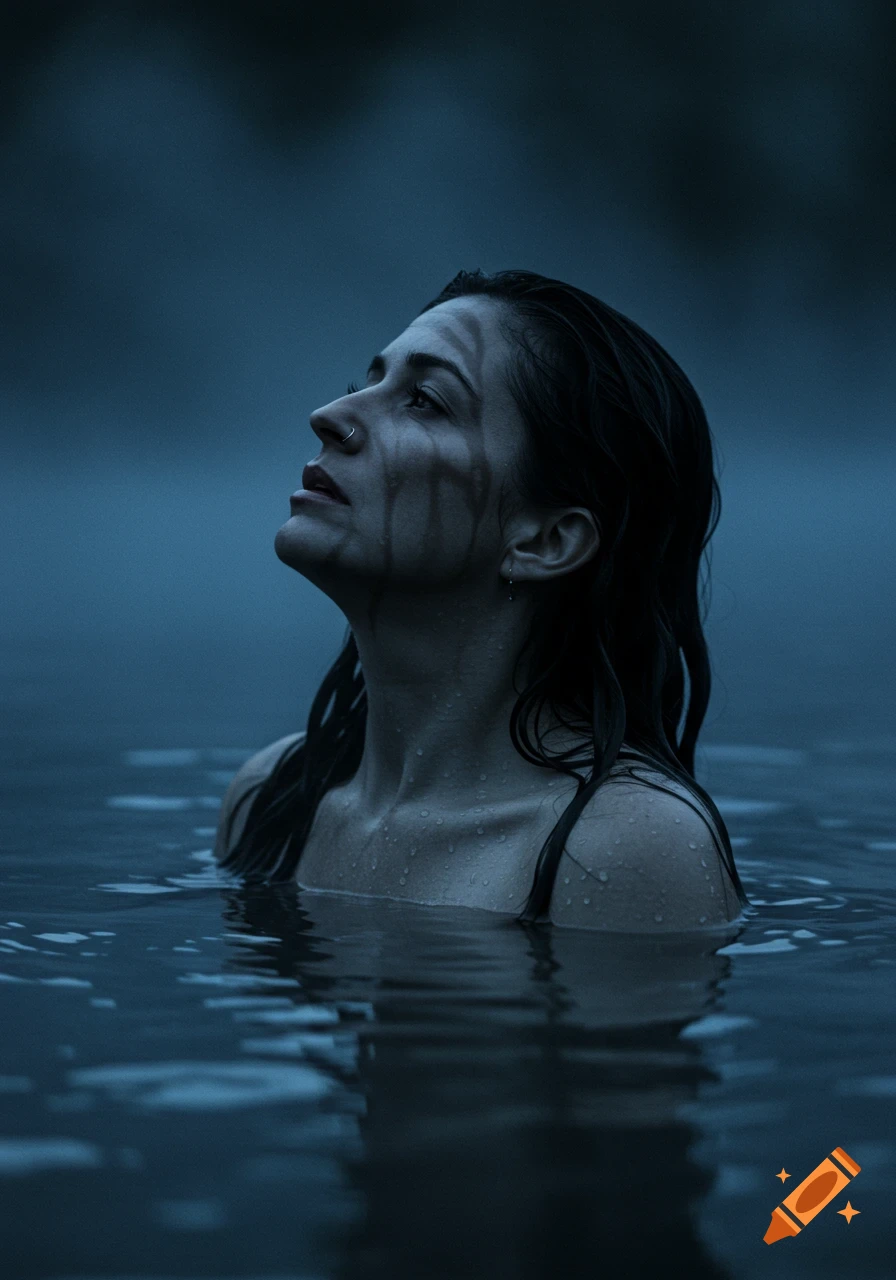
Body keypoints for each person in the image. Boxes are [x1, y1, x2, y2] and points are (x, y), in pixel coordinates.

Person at [214, 268, 748, 930]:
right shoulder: (274, 796)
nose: (330, 416)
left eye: (425, 401)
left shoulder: (621, 848)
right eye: (367, 384)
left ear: (546, 540)